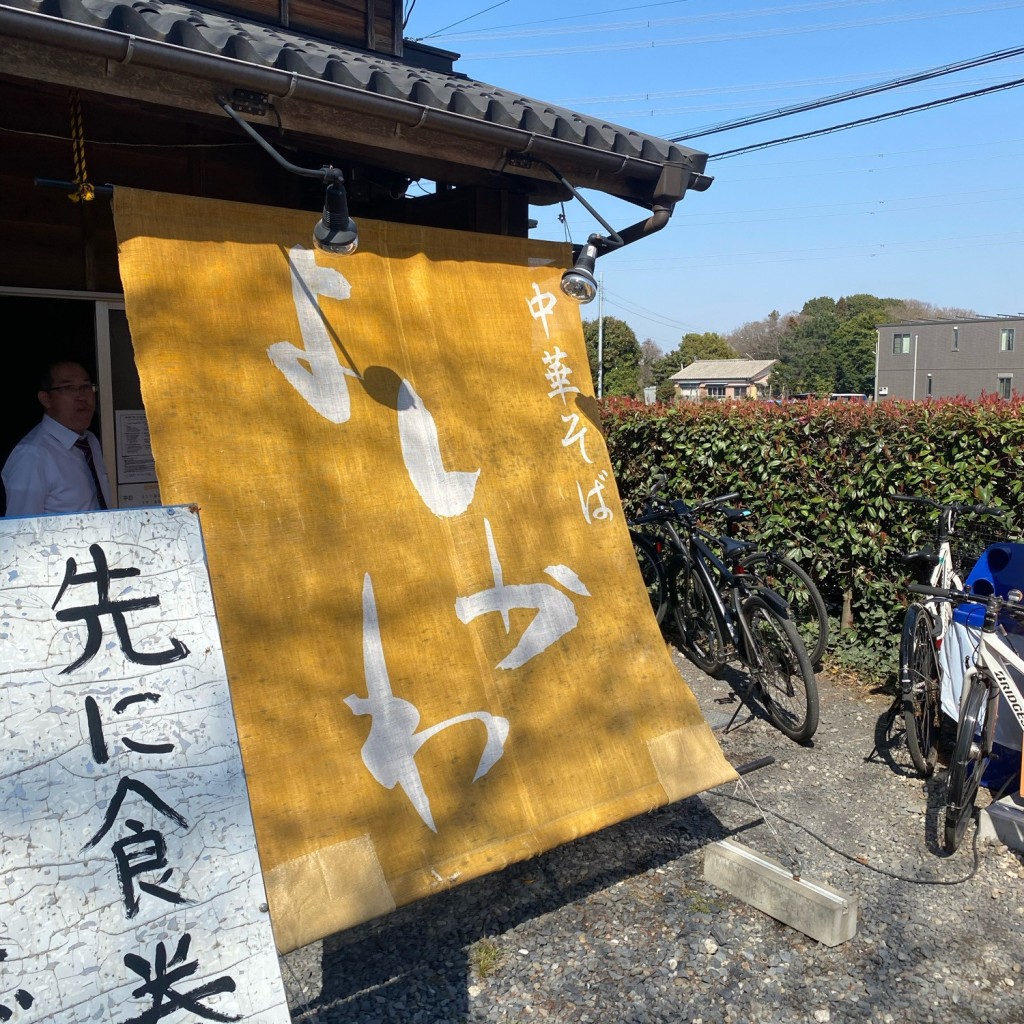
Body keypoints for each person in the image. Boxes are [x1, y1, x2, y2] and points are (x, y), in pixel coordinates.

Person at [2, 360, 112, 516]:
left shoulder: (89, 440)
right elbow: (21, 531)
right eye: (68, 388)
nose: (81, 396)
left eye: (86, 387)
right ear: (46, 399)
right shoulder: (32, 455)